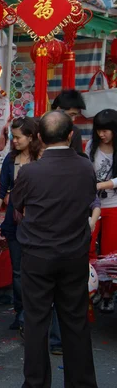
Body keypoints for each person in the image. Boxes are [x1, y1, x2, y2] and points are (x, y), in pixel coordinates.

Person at [12, 110, 97, 388]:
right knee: (75, 321)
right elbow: (87, 202)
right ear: (71, 136)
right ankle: (82, 383)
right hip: (73, 252)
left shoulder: (30, 171)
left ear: (38, 137)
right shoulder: (85, 167)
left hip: (38, 253)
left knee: (37, 322)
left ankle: (36, 383)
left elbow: (18, 206)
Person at [0, 117, 41, 331]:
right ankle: (20, 311)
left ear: (31, 137)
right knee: (17, 270)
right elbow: (1, 189)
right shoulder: (10, 159)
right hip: (14, 220)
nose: (14, 141)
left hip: (37, 222)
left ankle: (32, 312)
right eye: (13, 137)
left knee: (34, 270)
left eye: (18, 137)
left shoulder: (40, 158)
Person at [85, 108, 117, 313]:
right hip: (91, 205)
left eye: (106, 130)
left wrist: (100, 185)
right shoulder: (91, 146)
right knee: (87, 247)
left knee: (110, 253)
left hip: (114, 206)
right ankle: (90, 288)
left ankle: (108, 293)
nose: (101, 134)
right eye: (98, 130)